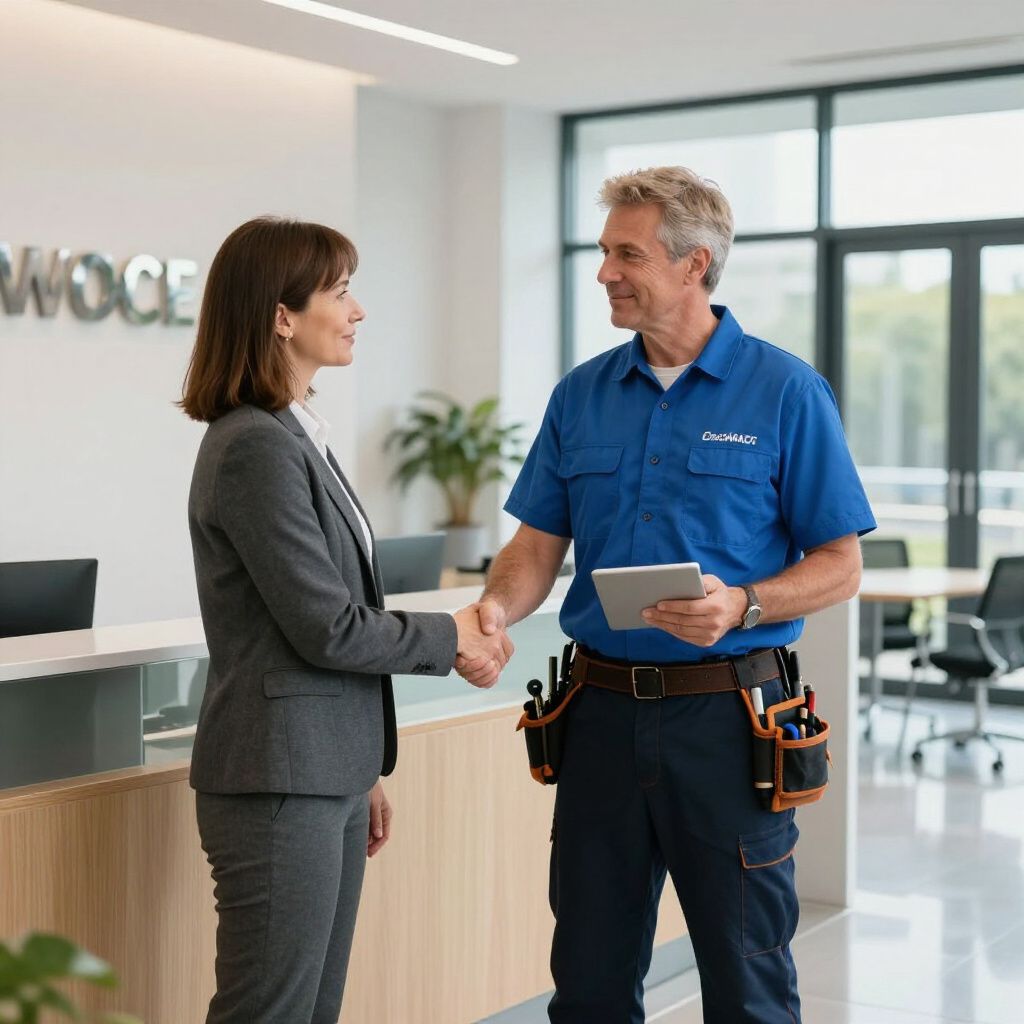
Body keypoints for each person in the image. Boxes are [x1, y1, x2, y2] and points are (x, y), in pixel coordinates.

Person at [466, 167, 876, 1023]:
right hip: (600, 717)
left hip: (731, 720)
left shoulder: (785, 390)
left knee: (747, 981)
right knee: (587, 977)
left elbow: (841, 562)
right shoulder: (580, 395)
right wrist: (498, 607)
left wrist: (746, 602)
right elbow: (538, 543)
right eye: (607, 252)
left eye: (628, 253)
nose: (606, 271)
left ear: (695, 265)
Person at [179, 216, 512, 1023]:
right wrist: (453, 636)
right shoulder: (254, 446)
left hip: (318, 772)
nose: (357, 310)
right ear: (281, 315)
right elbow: (327, 625)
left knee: (312, 1010)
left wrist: (359, 769)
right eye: (340, 290)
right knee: (270, 1011)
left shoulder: (296, 436)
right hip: (274, 784)